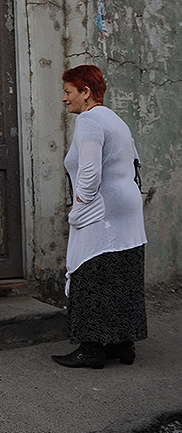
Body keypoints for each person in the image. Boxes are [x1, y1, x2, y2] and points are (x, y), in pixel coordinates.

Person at [51, 65, 147, 369]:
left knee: (90, 271)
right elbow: (134, 163)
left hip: (102, 207)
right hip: (127, 205)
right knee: (121, 271)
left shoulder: (90, 120)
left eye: (68, 92)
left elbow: (90, 172)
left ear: (86, 92)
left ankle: (91, 349)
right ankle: (123, 344)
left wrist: (79, 207)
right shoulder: (115, 120)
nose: (65, 99)